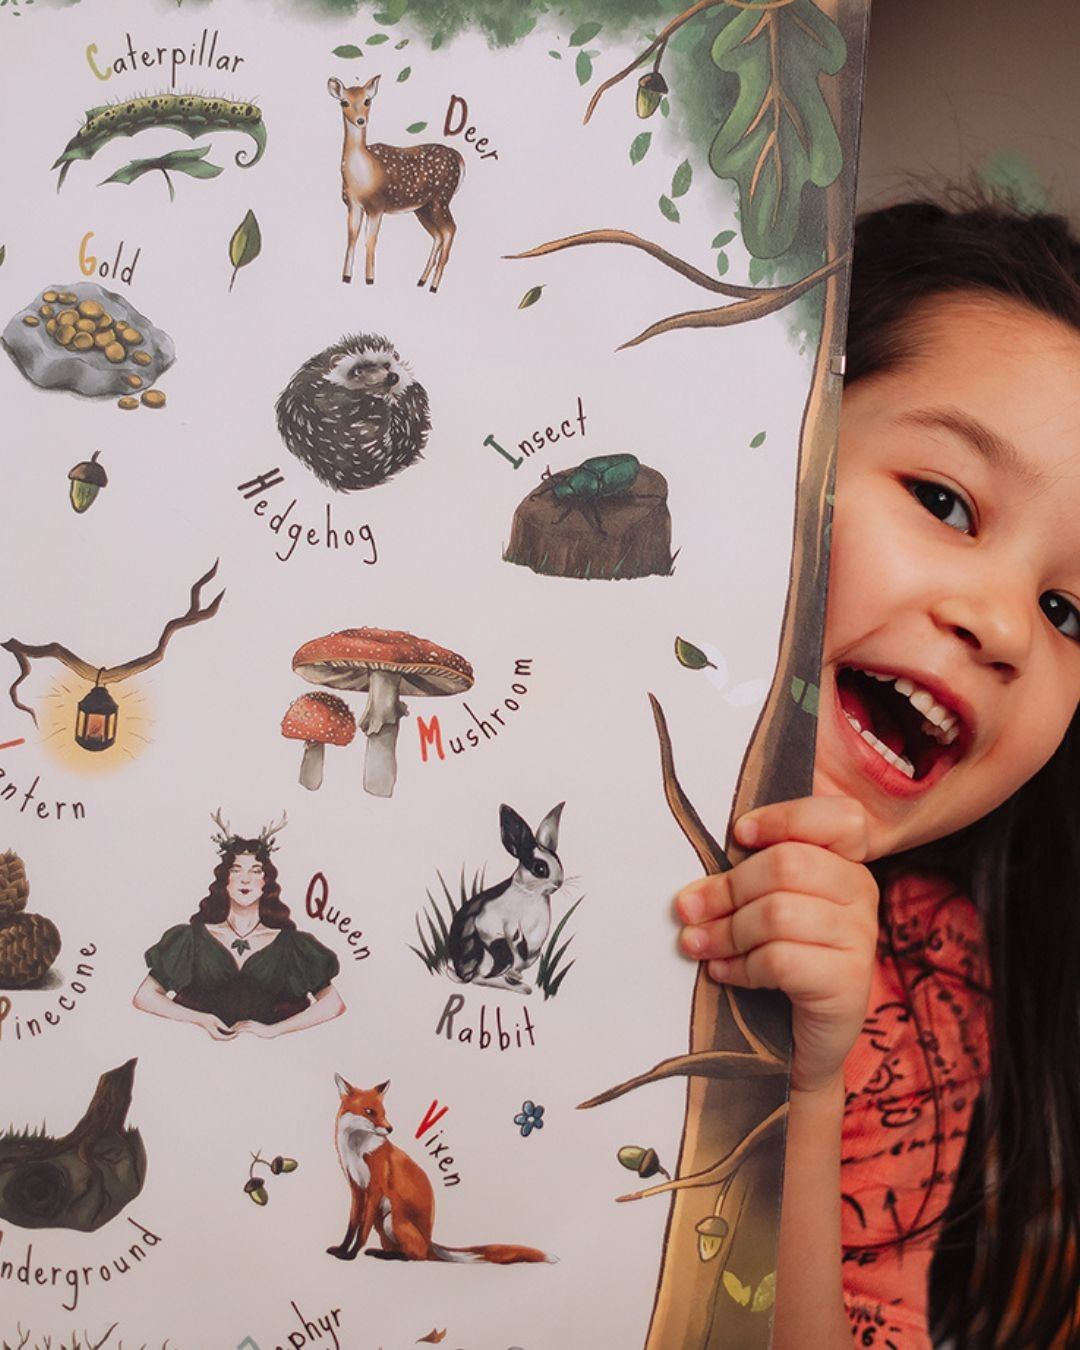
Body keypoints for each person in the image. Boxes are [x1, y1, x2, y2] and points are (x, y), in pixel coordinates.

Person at [676, 200, 1080, 1348]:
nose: (1005, 624)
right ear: (777, 435)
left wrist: (808, 1088)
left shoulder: (930, 986)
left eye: (1069, 611)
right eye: (945, 501)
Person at [133, 817, 345, 1040]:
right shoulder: (191, 939)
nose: (245, 879)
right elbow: (145, 996)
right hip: (197, 1058)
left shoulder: (292, 945)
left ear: (267, 882)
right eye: (236, 870)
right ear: (224, 880)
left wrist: (272, 1031)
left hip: (274, 1061)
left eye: (255, 871)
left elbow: (333, 1003)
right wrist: (201, 1019)